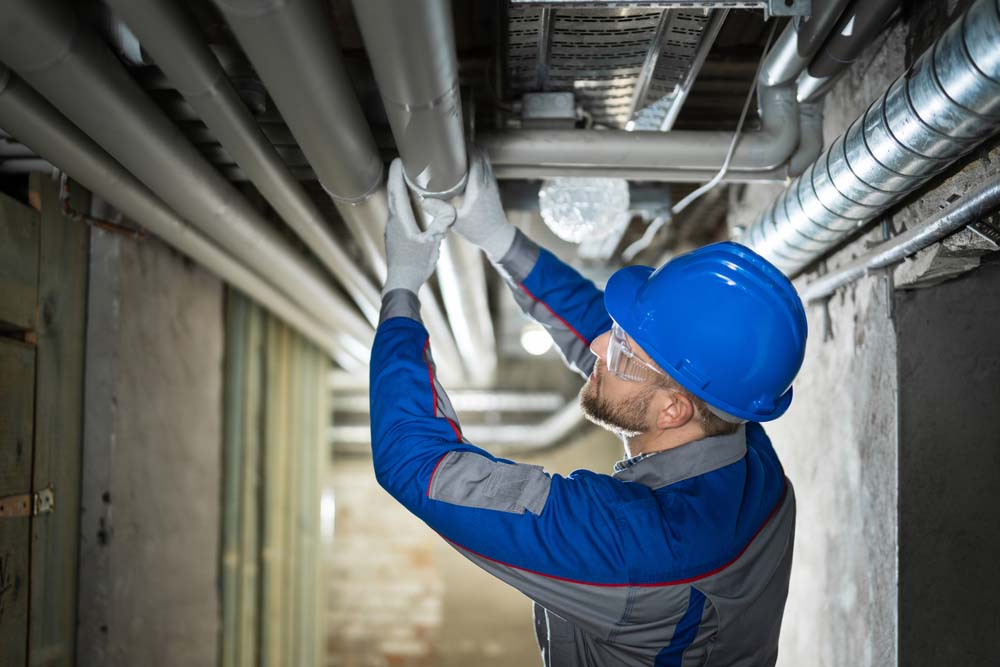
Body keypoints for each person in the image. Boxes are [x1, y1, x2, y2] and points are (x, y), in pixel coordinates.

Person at [369, 150, 807, 666]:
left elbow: (416, 465)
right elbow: (613, 345)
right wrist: (500, 240)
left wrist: (400, 290)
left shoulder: (634, 549)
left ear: (673, 411)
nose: (601, 347)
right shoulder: (742, 442)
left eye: (621, 351)